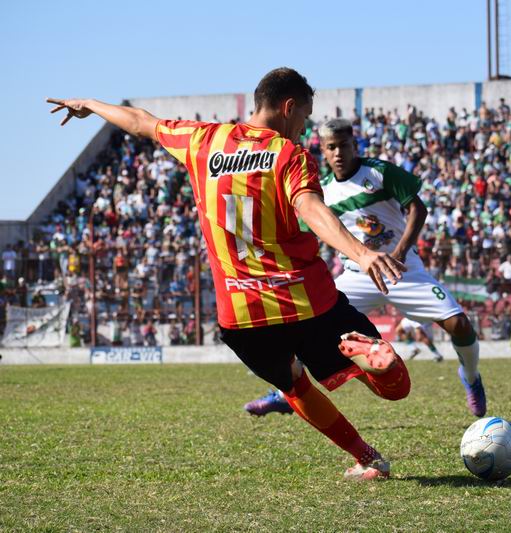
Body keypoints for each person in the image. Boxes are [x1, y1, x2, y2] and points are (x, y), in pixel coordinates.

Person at [48, 67, 411, 481]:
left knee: (294, 387)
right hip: (305, 300)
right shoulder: (288, 155)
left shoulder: (203, 140)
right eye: (304, 117)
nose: (303, 127)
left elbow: (140, 122)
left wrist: (90, 105)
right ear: (288, 107)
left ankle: (367, 458)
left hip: (242, 315)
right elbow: (310, 208)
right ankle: (368, 357)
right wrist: (361, 253)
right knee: (396, 390)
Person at [245, 117, 486, 417]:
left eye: (343, 145)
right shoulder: (323, 191)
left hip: (404, 271)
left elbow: (417, 208)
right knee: (307, 325)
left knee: (459, 324)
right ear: (323, 149)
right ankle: (283, 392)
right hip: (358, 275)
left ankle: (471, 377)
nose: (337, 153)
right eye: (330, 147)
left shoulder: (379, 172)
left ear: (354, 144)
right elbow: (311, 230)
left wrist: (398, 252)